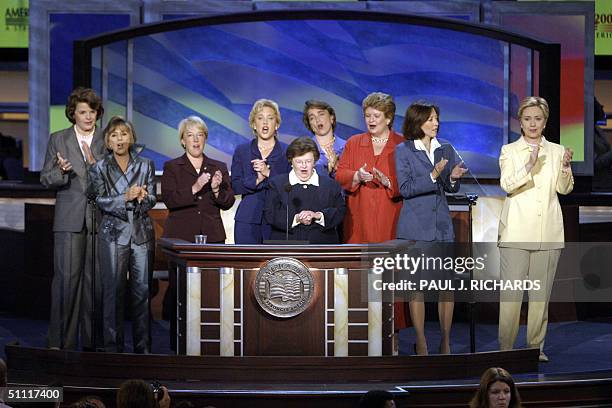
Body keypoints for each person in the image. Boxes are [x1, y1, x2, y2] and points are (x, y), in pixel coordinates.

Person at [497, 96, 574, 362]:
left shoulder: (556, 150)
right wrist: (529, 165)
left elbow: (564, 189)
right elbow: (507, 184)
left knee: (540, 298)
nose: (532, 123)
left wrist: (565, 168)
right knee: (511, 297)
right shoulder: (509, 150)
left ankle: (534, 348)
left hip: (548, 231)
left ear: (545, 122)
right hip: (517, 230)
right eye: (528, 119)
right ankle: (505, 349)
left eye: (537, 119)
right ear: (520, 122)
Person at [395, 101, 467, 355]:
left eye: (437, 119)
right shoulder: (403, 150)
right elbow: (405, 189)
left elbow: (449, 188)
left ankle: (445, 341)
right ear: (417, 122)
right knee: (417, 288)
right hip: (415, 228)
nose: (435, 124)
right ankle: (421, 341)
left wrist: (454, 178)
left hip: (441, 228)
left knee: (446, 287)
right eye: (430, 120)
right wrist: (434, 175)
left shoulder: (444, 148)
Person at [335, 92, 405, 350]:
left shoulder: (401, 144)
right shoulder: (354, 142)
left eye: (376, 116)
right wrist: (357, 175)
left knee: (390, 277)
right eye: (367, 116)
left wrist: (389, 183)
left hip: (390, 217)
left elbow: (409, 182)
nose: (371, 120)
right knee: (360, 275)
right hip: (359, 218)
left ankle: (392, 337)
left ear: (388, 118)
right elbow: (341, 173)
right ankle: (358, 335)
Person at [40, 87, 106, 350]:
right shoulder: (58, 139)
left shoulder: (107, 139)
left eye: (91, 112)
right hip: (69, 220)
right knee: (66, 283)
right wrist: (61, 171)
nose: (88, 117)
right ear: (73, 114)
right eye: (82, 112)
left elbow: (113, 181)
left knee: (96, 286)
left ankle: (93, 347)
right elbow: (46, 178)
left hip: (100, 220)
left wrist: (95, 164)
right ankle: (60, 345)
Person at [88, 117, 156, 353]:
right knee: (112, 294)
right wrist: (124, 197)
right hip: (113, 234)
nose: (120, 139)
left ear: (132, 137)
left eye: (124, 134)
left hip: (141, 234)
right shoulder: (99, 168)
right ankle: (112, 351)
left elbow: (153, 199)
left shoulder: (146, 164)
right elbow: (97, 199)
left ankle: (143, 350)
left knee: (142, 294)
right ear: (107, 140)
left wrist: (143, 198)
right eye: (114, 135)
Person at [161, 116, 235, 244]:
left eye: (200, 135)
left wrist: (216, 190)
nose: (196, 139)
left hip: (212, 237)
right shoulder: (172, 167)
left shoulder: (218, 167)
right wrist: (194, 188)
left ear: (205, 139)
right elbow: (169, 200)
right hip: (181, 237)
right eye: (190, 135)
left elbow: (228, 202)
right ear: (183, 141)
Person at [264, 137, 346, 243]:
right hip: (287, 247)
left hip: (321, 246)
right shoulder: (277, 184)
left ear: (315, 161)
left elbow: (340, 211)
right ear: (291, 161)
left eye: (308, 161)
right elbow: (270, 214)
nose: (304, 166)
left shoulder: (330, 185)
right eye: (299, 161)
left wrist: (318, 216)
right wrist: (296, 218)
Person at [231, 99, 291, 244]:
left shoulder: (287, 151)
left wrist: (268, 174)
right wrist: (256, 180)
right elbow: (235, 186)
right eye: (260, 118)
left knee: (276, 264)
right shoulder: (242, 151)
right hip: (247, 219)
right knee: (247, 264)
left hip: (277, 220)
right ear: (253, 124)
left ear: (276, 124)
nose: (265, 123)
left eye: (270, 118)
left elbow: (291, 186)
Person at [302, 99, 346, 177]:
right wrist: (327, 171)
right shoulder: (304, 150)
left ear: (331, 118)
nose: (317, 120)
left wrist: (337, 168)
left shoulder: (348, 147)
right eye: (312, 118)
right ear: (310, 126)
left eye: (321, 114)